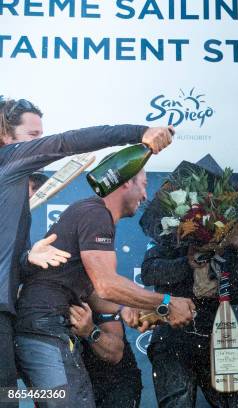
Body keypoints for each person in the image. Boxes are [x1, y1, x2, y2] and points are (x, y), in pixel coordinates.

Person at [0, 96, 172, 398]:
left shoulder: (11, 191)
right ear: (6, 136)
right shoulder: (11, 159)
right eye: (34, 137)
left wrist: (27, 258)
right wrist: (139, 132)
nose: (41, 144)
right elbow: (68, 142)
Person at [14, 168, 195, 408]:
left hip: (45, 328)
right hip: (44, 328)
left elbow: (93, 291)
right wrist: (166, 302)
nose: (145, 195)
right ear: (125, 184)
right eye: (143, 184)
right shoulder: (96, 213)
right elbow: (106, 284)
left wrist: (125, 307)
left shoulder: (92, 213)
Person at [140, 237, 238, 407]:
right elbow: (149, 273)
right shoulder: (171, 237)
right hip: (172, 338)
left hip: (218, 337)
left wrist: (236, 252)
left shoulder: (227, 238)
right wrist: (188, 263)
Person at [69, 297, 142, 408]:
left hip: (114, 383)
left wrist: (89, 331)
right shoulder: (35, 300)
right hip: (70, 389)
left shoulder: (90, 290)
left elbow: (115, 354)